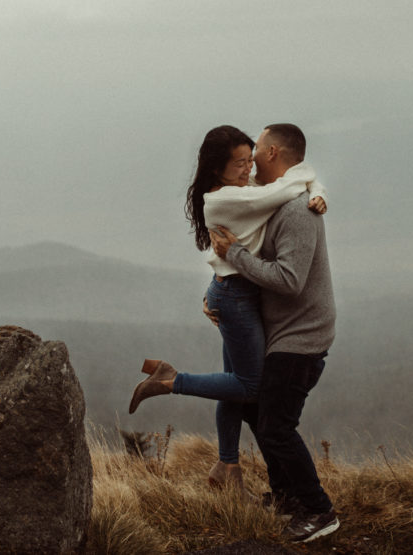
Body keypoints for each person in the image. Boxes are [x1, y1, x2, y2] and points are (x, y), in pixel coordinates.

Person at [128, 125, 326, 493]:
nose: (247, 169)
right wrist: (314, 189)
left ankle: (227, 467)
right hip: (235, 296)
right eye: (238, 163)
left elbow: (297, 179)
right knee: (248, 386)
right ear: (217, 167)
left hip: (236, 294)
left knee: (232, 386)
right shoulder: (223, 199)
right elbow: (290, 185)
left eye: (249, 160)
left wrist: (318, 191)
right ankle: (170, 380)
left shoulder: (240, 189)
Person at [209, 123, 340, 544]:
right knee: (254, 409)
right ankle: (287, 497)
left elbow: (289, 280)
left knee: (276, 428)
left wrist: (237, 255)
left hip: (301, 338)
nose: (251, 165)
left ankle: (319, 512)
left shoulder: (299, 212)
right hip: (282, 331)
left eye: (258, 152)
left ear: (273, 153)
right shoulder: (279, 204)